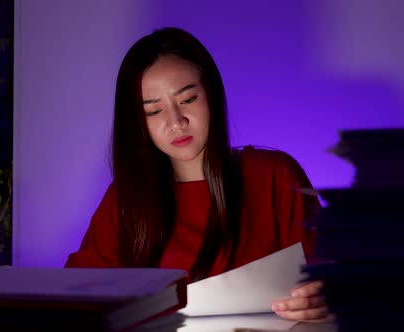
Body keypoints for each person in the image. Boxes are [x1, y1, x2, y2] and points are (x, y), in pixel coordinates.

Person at [64, 27, 327, 322]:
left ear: (211, 94)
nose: (176, 123)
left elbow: (328, 275)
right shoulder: (125, 197)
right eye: (153, 112)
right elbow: (78, 295)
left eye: (187, 100)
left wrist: (321, 297)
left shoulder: (276, 176)